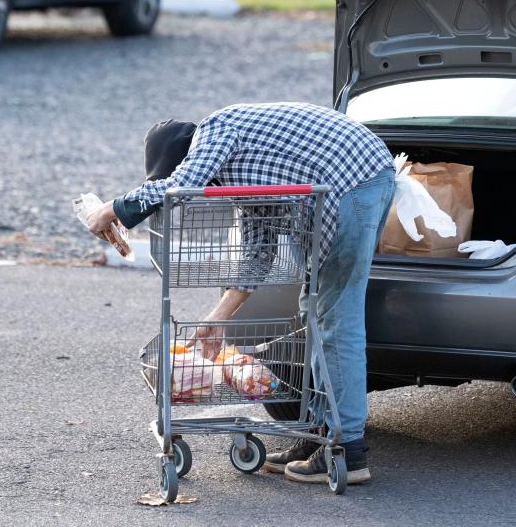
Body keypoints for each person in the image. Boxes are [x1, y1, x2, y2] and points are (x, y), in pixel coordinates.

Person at [86, 102, 394, 485]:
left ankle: (348, 449)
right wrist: (218, 319)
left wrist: (113, 209)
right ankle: (318, 434)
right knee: (313, 308)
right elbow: (258, 253)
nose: (205, 189)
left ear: (187, 155)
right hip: (354, 177)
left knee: (336, 316)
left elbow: (180, 184)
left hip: (353, 179)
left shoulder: (215, 130)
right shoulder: (244, 169)